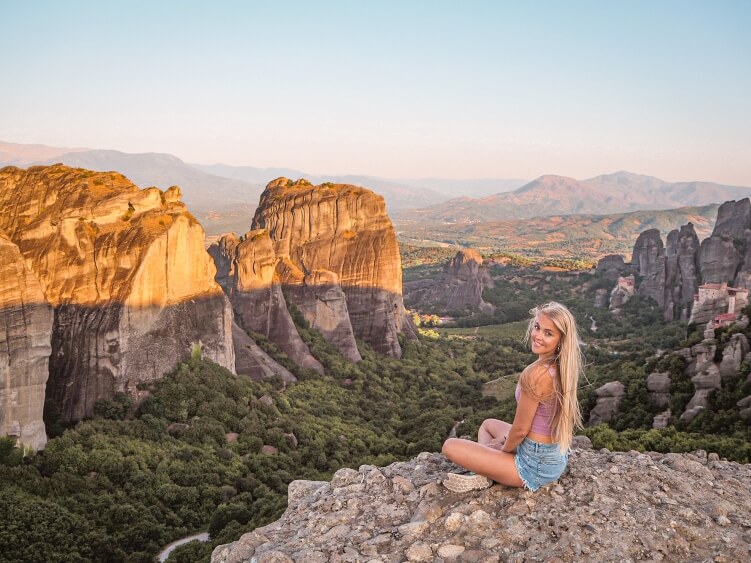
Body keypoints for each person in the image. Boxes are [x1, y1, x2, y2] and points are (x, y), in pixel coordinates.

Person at [441, 301, 583, 493]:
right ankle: (488, 470)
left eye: (548, 333)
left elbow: (521, 429)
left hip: (534, 466)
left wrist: (502, 450)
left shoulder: (536, 375)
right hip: (552, 456)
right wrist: (502, 444)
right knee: (488, 425)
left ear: (561, 340)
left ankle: (484, 473)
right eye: (537, 327)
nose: (538, 336)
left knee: (450, 446)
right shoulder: (562, 368)